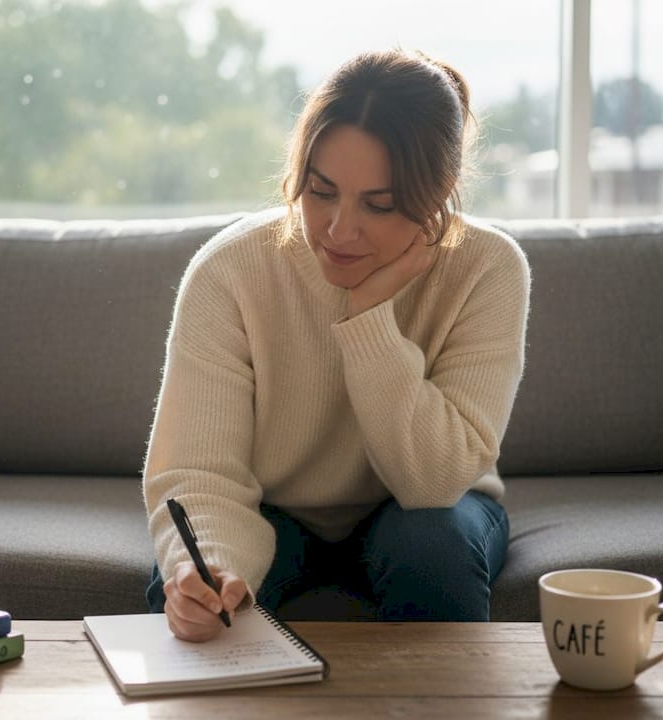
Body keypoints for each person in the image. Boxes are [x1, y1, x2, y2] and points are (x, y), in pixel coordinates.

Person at [142, 49, 531, 642]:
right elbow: (199, 471)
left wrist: (369, 316)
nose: (339, 230)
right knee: (190, 593)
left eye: (379, 204)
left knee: (431, 545)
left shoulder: (488, 268)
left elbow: (433, 482)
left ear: (439, 192)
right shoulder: (230, 271)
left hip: (431, 508)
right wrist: (210, 569)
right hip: (273, 511)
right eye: (321, 191)